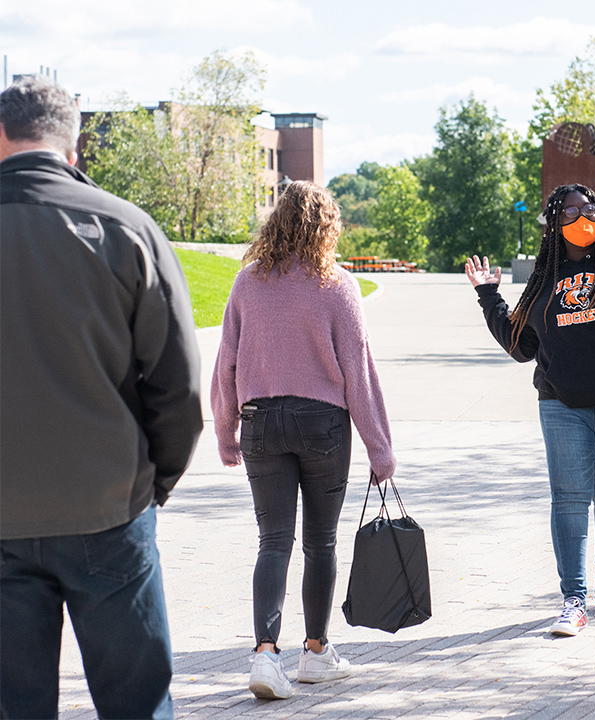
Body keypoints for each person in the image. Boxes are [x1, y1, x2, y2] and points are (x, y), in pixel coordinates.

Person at [0, 76, 202, 719]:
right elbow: (178, 387)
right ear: (75, 144)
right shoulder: (126, 228)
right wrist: (151, 484)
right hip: (110, 506)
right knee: (136, 706)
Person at [211, 181, 396, 699]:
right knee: (320, 542)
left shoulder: (248, 282)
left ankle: (265, 656)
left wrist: (226, 432)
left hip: (262, 422)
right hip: (323, 425)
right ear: (327, 227)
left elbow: (225, 361)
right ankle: (316, 653)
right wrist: (379, 450)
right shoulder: (338, 285)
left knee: (273, 541)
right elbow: (358, 373)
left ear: (277, 222)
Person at [464, 183, 595, 637]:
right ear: (554, 224)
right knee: (570, 502)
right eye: (572, 211)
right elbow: (521, 346)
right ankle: (573, 599)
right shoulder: (544, 280)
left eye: (590, 208)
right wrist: (488, 296)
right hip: (562, 408)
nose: (583, 217)